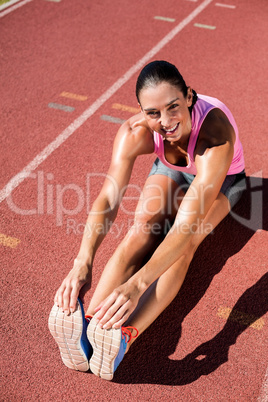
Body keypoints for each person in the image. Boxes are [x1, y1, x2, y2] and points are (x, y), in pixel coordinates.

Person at [48, 60, 246, 380]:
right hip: (175, 168)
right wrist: (82, 262)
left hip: (224, 180)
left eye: (173, 108)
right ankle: (91, 328)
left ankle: (124, 335)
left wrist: (138, 285)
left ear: (190, 97)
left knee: (185, 245)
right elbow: (109, 199)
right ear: (140, 111)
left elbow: (185, 226)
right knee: (142, 231)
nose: (165, 122)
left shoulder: (216, 137)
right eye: (153, 113)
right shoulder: (133, 132)